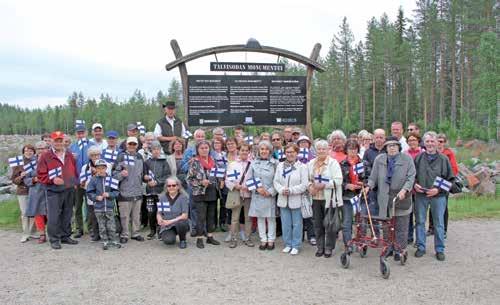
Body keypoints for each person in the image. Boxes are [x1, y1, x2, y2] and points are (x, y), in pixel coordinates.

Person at [367, 136, 416, 260]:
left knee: (401, 226)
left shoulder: (407, 159)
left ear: (399, 147)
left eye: (394, 145)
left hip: (401, 197)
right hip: (384, 197)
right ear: (385, 148)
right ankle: (388, 247)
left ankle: (400, 250)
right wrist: (369, 186)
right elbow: (373, 177)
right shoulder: (380, 159)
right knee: (386, 225)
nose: (392, 147)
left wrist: (405, 189)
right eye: (389, 145)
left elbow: (411, 177)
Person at [414, 131, 455, 261]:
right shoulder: (419, 158)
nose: (430, 144)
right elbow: (412, 176)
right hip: (421, 195)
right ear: (424, 143)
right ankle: (420, 246)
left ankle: (440, 249)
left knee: (439, 223)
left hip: (438, 196)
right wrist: (415, 184)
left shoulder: (444, 159)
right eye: (427, 141)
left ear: (437, 143)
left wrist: (437, 190)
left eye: (432, 141)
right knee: (420, 221)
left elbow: (450, 180)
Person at [37, 131, 79, 249]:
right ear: (52, 141)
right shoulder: (46, 156)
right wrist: (52, 180)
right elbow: (40, 175)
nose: (59, 143)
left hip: (69, 188)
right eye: (56, 140)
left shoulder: (69, 154)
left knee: (67, 213)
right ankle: (54, 239)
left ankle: (65, 236)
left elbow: (73, 170)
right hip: (53, 190)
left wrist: (75, 182)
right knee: (54, 216)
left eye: (60, 140)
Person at [307, 140, 343, 257]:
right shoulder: (311, 163)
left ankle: (328, 247)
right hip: (315, 198)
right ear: (315, 151)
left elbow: (338, 180)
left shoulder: (333, 163)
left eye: (324, 149)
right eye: (319, 149)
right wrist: (310, 187)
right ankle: (320, 247)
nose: (321, 151)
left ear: (328, 150)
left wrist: (324, 185)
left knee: (329, 225)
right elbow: (306, 179)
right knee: (317, 224)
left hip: (329, 199)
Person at [274, 143, 308, 255]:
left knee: (297, 224)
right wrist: (281, 189)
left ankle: (296, 245)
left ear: (296, 153)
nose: (290, 154)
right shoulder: (280, 166)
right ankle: (288, 244)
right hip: (283, 199)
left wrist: (292, 190)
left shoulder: (302, 167)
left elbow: (304, 184)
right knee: (285, 223)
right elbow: (276, 181)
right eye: (287, 152)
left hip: (296, 199)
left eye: (292, 152)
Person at [187, 140, 221, 248]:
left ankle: (210, 237)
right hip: (200, 192)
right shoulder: (194, 162)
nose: (204, 149)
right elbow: (189, 179)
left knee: (211, 216)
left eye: (206, 147)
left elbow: (218, 174)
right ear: (197, 150)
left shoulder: (213, 161)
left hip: (212, 191)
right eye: (202, 148)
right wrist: (201, 182)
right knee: (201, 217)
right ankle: (199, 238)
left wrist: (220, 180)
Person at [113, 136, 147, 243]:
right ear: (126, 145)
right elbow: (113, 174)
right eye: (130, 144)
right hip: (124, 191)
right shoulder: (121, 157)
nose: (132, 146)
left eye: (134, 144)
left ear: (137, 145)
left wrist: (146, 178)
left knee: (136, 215)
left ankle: (135, 233)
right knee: (124, 216)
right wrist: (121, 174)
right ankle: (124, 234)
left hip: (137, 191)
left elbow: (143, 173)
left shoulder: (140, 157)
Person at [339, 139, 370, 252]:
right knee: (347, 222)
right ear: (346, 150)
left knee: (362, 221)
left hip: (361, 197)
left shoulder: (364, 163)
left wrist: (365, 185)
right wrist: (347, 185)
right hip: (347, 197)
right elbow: (338, 181)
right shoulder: (342, 164)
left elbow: (370, 178)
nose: (352, 151)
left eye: (355, 149)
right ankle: (348, 244)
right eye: (350, 149)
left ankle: (361, 242)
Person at [428, 133, 459, 238]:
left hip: (444, 183)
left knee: (443, 207)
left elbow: (454, 169)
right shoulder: (431, 152)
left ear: (445, 143)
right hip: (432, 183)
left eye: (442, 141)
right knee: (431, 206)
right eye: (438, 141)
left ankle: (443, 229)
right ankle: (431, 227)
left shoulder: (448, 154)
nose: (439, 143)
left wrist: (443, 182)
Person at [248, 140, 278, 250]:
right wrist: (258, 188)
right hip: (258, 195)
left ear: (270, 151)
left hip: (269, 195)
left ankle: (271, 240)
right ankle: (263, 240)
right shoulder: (253, 163)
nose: (264, 151)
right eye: (262, 149)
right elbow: (249, 178)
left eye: (266, 149)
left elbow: (278, 180)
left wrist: (269, 191)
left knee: (271, 218)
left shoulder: (276, 163)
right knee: (260, 218)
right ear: (259, 150)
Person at [86, 159, 121, 250]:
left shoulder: (111, 179)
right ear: (96, 169)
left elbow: (116, 192)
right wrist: (96, 197)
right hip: (98, 208)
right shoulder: (93, 180)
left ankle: (113, 240)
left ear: (106, 168)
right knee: (102, 226)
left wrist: (109, 194)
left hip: (109, 207)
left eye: (103, 168)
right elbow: (89, 192)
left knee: (111, 225)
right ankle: (104, 241)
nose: (101, 170)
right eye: (99, 168)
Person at [224, 143, 254, 248]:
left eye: (246, 150)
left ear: (249, 152)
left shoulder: (252, 164)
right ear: (238, 151)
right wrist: (235, 186)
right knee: (235, 218)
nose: (244, 152)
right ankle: (234, 238)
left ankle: (247, 238)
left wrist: (249, 187)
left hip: (248, 194)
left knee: (248, 218)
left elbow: (255, 179)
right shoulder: (232, 164)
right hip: (236, 194)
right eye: (242, 150)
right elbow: (227, 180)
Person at [69, 123, 95, 238]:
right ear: (76, 134)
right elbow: (69, 167)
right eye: (78, 133)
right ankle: (79, 229)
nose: (80, 135)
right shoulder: (72, 147)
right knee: (78, 206)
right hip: (77, 182)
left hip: (90, 181)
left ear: (86, 133)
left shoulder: (92, 145)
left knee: (90, 206)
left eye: (82, 132)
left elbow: (97, 161)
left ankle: (91, 228)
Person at [144, 141, 171, 239]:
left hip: (162, 192)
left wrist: (157, 182)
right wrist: (145, 178)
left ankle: (161, 230)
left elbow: (168, 176)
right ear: (151, 150)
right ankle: (152, 230)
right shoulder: (147, 162)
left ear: (160, 150)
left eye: (157, 149)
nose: (156, 151)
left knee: (162, 211)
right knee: (151, 211)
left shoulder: (164, 161)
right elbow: (144, 175)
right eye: (154, 149)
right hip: (150, 192)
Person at [11, 144, 37, 242]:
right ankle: (25, 234)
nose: (28, 152)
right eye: (26, 151)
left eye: (31, 150)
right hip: (22, 191)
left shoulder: (36, 161)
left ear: (34, 152)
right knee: (25, 212)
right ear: (23, 152)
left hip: (34, 190)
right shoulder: (18, 163)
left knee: (34, 211)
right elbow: (14, 180)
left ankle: (33, 232)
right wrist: (21, 176)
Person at [25, 141, 49, 244]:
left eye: (43, 148)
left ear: (47, 149)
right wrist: (33, 180)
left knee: (50, 213)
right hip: (36, 190)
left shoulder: (52, 159)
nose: (41, 150)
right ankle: (42, 235)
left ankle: (52, 233)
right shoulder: (31, 162)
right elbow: (26, 178)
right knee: (38, 214)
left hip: (49, 190)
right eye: (39, 149)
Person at [81, 145, 106, 241]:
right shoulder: (85, 167)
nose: (95, 157)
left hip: (102, 194)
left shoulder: (105, 165)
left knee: (103, 215)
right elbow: (82, 182)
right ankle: (95, 233)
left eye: (97, 155)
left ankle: (104, 233)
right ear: (89, 156)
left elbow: (108, 178)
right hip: (92, 194)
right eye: (93, 155)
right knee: (93, 215)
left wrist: (99, 173)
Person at [157, 177, 190, 248]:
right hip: (167, 225)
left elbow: (185, 215)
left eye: (174, 185)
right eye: (169, 186)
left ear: (178, 186)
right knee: (169, 241)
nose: (171, 187)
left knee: (182, 223)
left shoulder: (183, 197)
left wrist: (171, 221)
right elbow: (159, 213)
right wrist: (159, 219)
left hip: (179, 222)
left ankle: (182, 240)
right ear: (166, 187)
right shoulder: (162, 197)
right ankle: (162, 231)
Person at [405, 132, 423, 244]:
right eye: (410, 140)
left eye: (414, 140)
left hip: (420, 189)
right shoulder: (405, 154)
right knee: (408, 214)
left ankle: (419, 239)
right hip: (409, 190)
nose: (412, 142)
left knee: (419, 215)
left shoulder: (423, 153)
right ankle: (409, 236)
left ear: (418, 141)